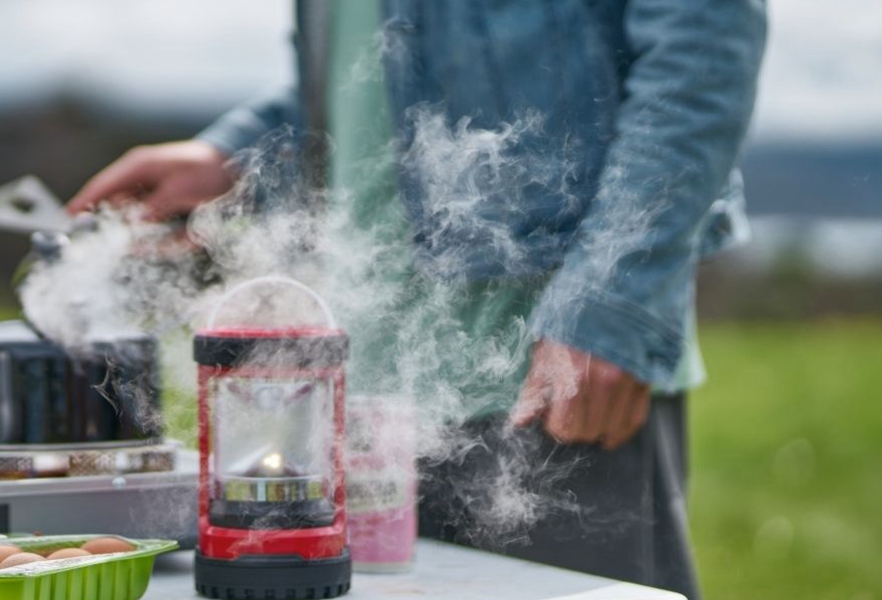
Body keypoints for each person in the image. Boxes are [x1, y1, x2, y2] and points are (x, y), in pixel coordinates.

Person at [66, 2, 767, 598]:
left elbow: (701, 55)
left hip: (546, 381)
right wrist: (230, 154)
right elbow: (379, 74)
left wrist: (614, 300)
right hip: (360, 402)